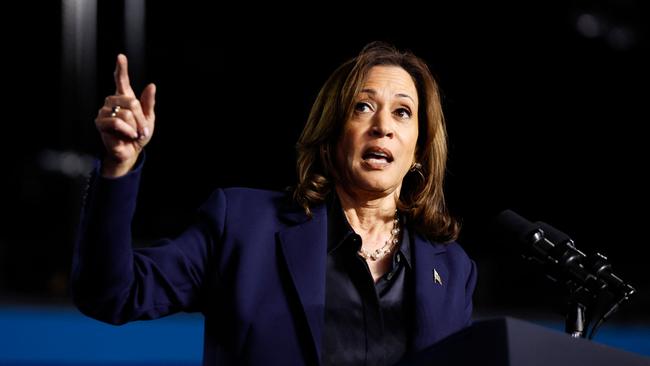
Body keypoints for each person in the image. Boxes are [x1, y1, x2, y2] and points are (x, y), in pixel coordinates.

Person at [72, 41, 477, 366]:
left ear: (420, 149)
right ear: (332, 133)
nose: (383, 127)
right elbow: (110, 293)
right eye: (362, 107)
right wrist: (118, 167)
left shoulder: (453, 269)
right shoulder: (242, 227)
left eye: (403, 112)